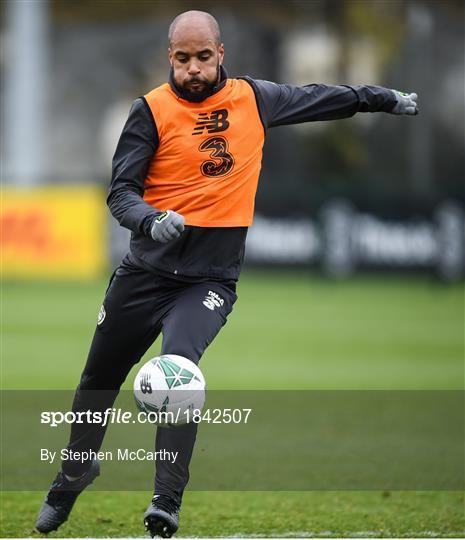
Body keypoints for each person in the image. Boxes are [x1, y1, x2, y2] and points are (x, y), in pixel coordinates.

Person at [35, 9, 418, 539]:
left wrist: (378, 97)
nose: (194, 68)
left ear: (221, 55)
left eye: (203, 57)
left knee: (179, 374)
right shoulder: (149, 111)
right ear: (171, 57)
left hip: (208, 281)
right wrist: (151, 218)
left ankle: (165, 503)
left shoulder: (252, 99)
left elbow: (318, 97)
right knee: (98, 381)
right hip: (143, 273)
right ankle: (74, 473)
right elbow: (120, 192)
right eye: (183, 58)